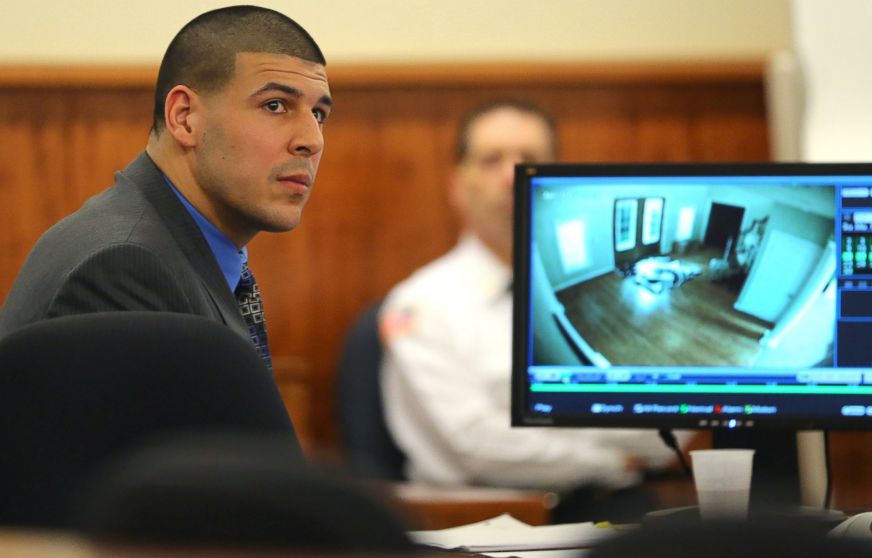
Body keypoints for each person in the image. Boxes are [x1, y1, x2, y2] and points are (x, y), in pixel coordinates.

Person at [379, 99, 690, 520]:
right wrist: (612, 462)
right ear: (457, 183)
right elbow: (473, 443)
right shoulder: (420, 305)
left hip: (616, 510)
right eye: (491, 160)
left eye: (530, 159)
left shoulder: (604, 295)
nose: (512, 175)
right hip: (477, 522)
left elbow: (667, 425)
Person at [0, 6, 332, 371]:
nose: (311, 140)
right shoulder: (123, 268)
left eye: (318, 114)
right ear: (184, 117)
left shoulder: (160, 244)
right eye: (276, 105)